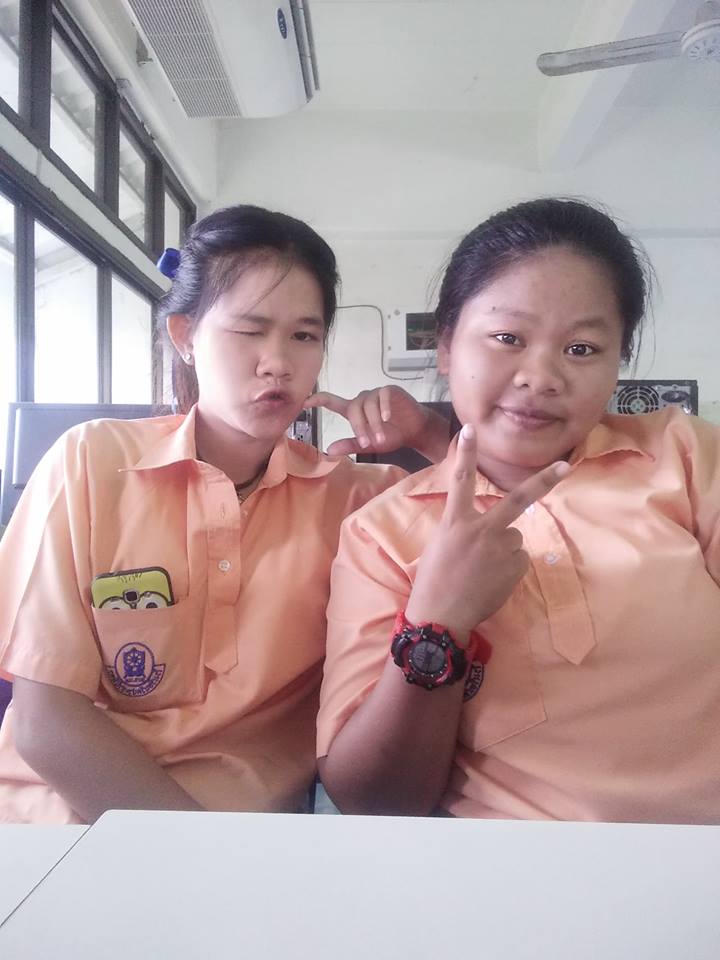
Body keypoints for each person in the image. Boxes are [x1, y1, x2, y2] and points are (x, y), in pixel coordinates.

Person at [0, 204, 449, 824]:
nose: (278, 362)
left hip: (249, 842)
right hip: (49, 827)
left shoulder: (355, 500)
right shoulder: (92, 463)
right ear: (185, 337)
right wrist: (194, 860)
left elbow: (528, 519)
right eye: (249, 331)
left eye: (304, 336)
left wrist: (428, 434)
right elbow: (45, 721)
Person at [317, 197, 720, 824]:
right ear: (446, 346)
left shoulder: (683, 454)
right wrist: (436, 623)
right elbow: (373, 801)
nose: (541, 376)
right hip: (504, 867)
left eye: (582, 348)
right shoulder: (382, 533)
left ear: (619, 361)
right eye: (508, 338)